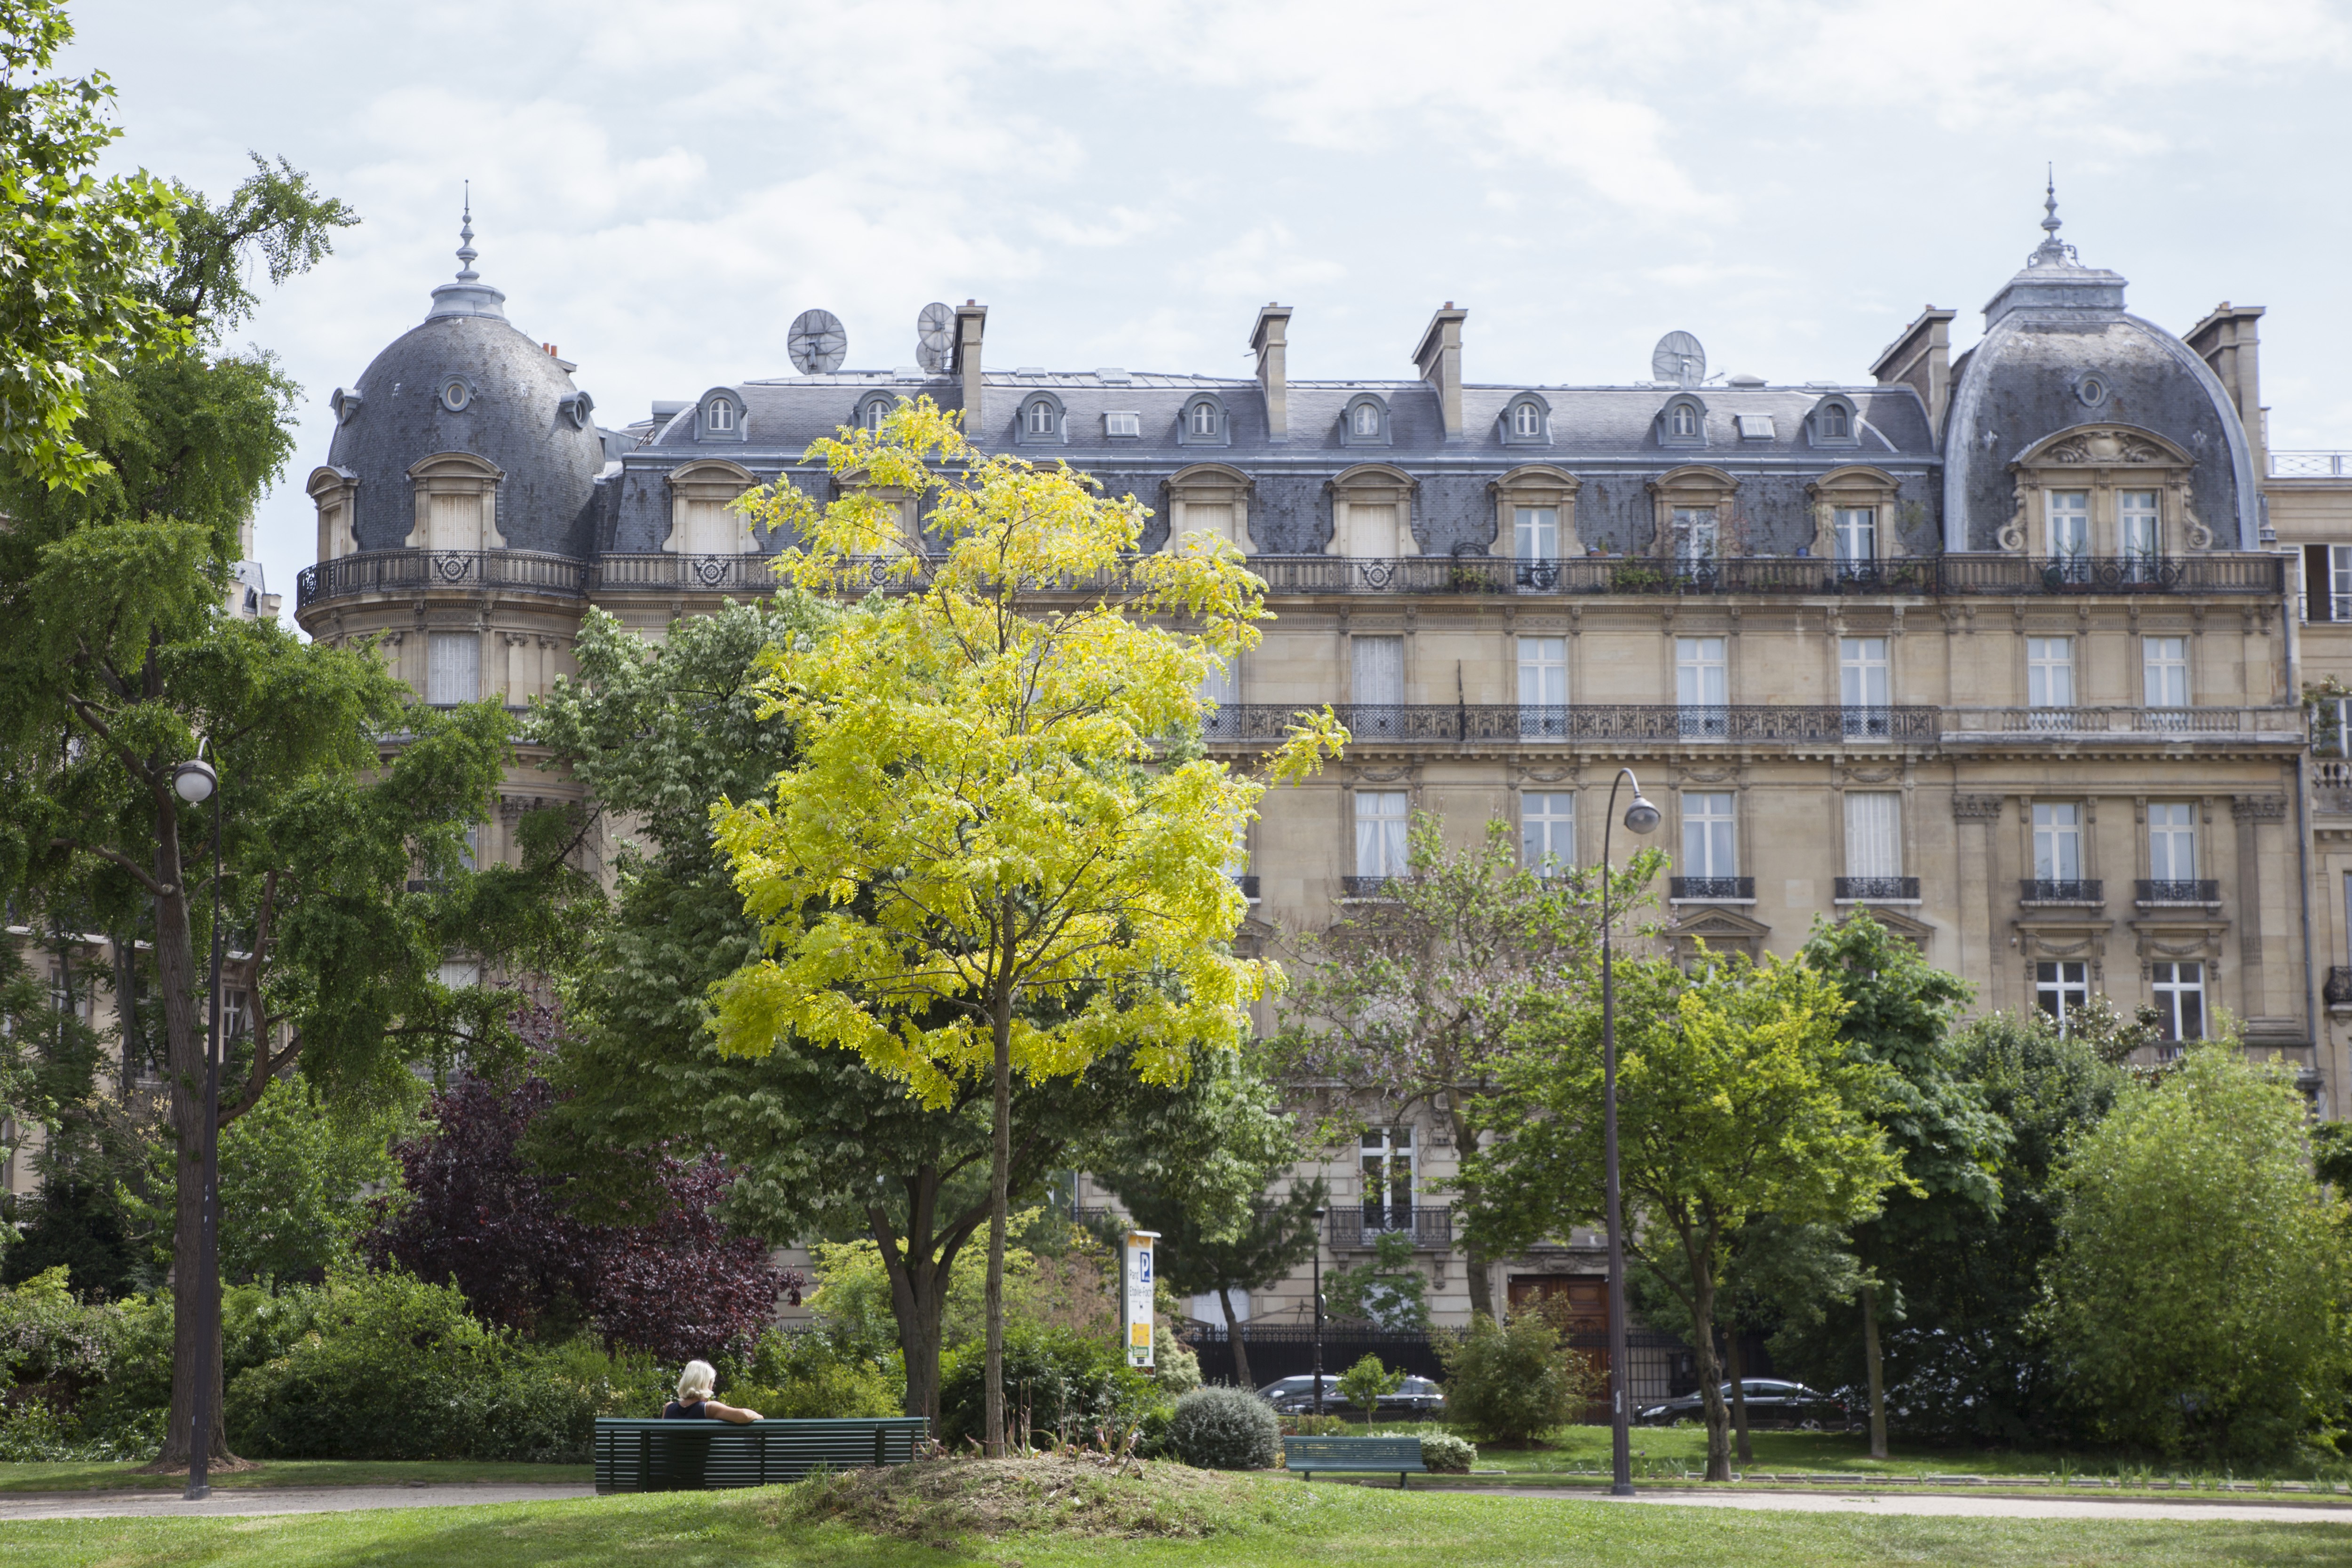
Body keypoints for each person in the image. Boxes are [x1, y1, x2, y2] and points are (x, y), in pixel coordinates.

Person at [663, 1360, 762, 1423]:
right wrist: (760, 1417)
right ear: (705, 1384)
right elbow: (744, 1416)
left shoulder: (668, 1408)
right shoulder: (709, 1409)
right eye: (712, 1384)